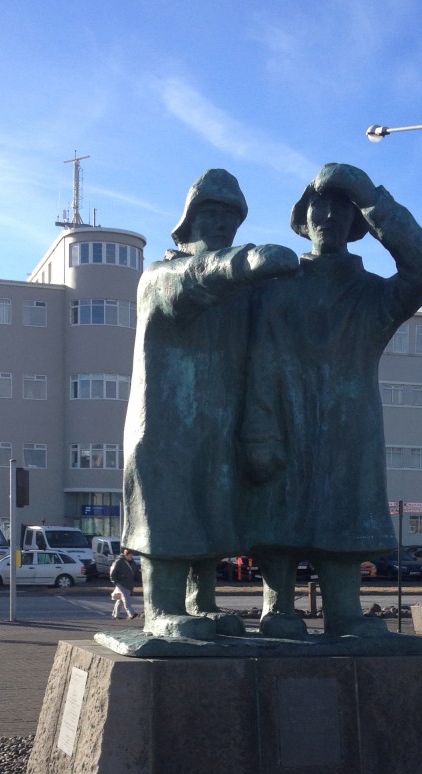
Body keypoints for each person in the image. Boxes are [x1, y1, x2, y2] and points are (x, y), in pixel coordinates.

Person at [241, 163, 422, 638]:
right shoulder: (274, 288)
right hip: (281, 420)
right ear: (304, 215)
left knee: (344, 518)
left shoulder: (371, 294)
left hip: (348, 428)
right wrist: (258, 427)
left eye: (341, 206)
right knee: (278, 516)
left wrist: (371, 197)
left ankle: (345, 611)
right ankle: (278, 608)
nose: (329, 215)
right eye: (320, 204)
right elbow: (256, 363)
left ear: (357, 223)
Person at [122, 168, 298, 640]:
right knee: (170, 510)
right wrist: (247, 262)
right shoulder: (161, 274)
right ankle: (161, 610)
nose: (221, 223)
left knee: (213, 506)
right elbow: (193, 280)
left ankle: (202, 604)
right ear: (190, 220)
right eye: (211, 212)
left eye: (230, 215)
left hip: (220, 422)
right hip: (164, 423)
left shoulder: (244, 298)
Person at [108, 548, 138, 620]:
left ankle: (115, 615)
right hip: (121, 583)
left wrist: (138, 580)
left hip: (129, 583)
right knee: (126, 598)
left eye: (132, 555)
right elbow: (112, 572)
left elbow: (136, 572)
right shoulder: (119, 562)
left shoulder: (132, 562)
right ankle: (131, 614)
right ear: (126, 554)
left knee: (121, 599)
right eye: (130, 555)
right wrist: (115, 581)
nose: (131, 557)